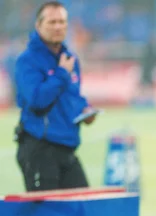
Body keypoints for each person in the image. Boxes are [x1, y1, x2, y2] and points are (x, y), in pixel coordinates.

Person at [14, 1, 99, 192]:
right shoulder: (27, 61)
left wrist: (85, 109)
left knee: (82, 208)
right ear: (38, 25)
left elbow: (72, 96)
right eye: (52, 22)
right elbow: (36, 101)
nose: (58, 27)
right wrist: (61, 73)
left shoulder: (69, 59)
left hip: (67, 148)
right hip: (40, 148)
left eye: (62, 22)